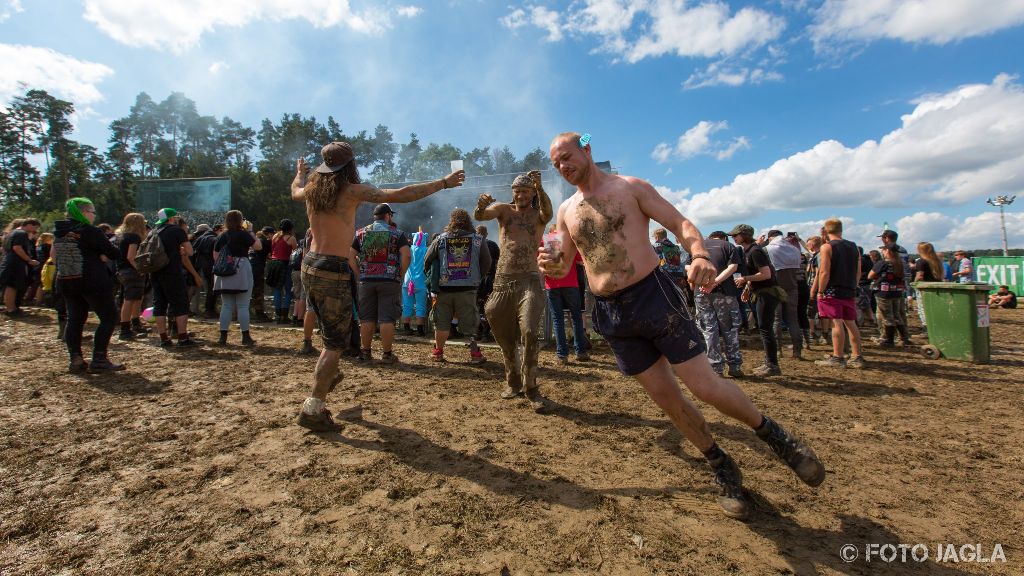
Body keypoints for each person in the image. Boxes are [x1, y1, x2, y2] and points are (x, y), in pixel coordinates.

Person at [539, 132, 824, 520]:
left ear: (587, 150)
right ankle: (720, 464)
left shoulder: (630, 187)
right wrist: (549, 263)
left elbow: (680, 222)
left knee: (703, 385)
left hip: (653, 297)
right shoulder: (566, 211)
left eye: (568, 157)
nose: (563, 167)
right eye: (556, 163)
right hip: (612, 313)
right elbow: (560, 262)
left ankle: (775, 437)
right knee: (667, 400)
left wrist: (701, 254)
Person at [289, 140, 465, 431]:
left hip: (310, 265)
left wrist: (299, 173)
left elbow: (295, 189)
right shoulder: (351, 190)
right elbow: (400, 194)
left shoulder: (311, 189)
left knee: (333, 335)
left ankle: (329, 374)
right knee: (335, 345)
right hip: (332, 269)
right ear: (349, 166)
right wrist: (443, 183)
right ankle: (313, 408)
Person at [475, 170, 553, 411]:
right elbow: (481, 215)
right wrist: (480, 206)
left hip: (529, 280)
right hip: (502, 281)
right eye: (517, 191)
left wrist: (540, 186)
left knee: (529, 331)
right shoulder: (503, 211)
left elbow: (548, 212)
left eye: (525, 191)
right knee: (500, 328)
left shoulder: (538, 216)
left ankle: (532, 387)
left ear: (532, 194)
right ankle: (513, 382)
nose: (520, 195)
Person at [52, 198, 125, 373]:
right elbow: (114, 253)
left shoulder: (59, 231)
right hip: (92, 279)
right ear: (84, 212)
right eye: (92, 212)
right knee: (109, 317)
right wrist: (102, 253)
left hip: (67, 278)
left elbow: (55, 255)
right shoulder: (91, 231)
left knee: (75, 319)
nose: (94, 216)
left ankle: (75, 358)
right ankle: (99, 359)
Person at [424, 208, 491, 363]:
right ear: (468, 221)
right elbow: (487, 262)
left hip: (444, 288)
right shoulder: (478, 239)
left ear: (451, 221)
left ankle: (438, 352)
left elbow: (427, 260)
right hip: (468, 289)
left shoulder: (440, 239)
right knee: (470, 321)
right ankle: (475, 354)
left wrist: (432, 279)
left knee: (441, 322)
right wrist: (477, 277)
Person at [352, 203, 410, 363]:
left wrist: (359, 274)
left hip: (366, 281)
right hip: (389, 280)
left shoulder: (361, 233)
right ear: (388, 216)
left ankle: (365, 352)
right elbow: (407, 255)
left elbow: (350, 255)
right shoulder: (397, 234)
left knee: (366, 318)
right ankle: (387, 354)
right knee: (387, 318)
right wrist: (401, 273)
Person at [730, 224, 786, 376]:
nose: (733, 237)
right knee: (764, 328)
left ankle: (772, 365)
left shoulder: (755, 251)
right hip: (761, 292)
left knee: (765, 328)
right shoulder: (749, 251)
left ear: (745, 235)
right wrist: (748, 288)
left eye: (736, 235)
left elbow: (766, 274)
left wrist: (745, 279)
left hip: (767, 293)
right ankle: (770, 363)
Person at [811, 219, 865, 368]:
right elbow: (858, 270)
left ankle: (838, 356)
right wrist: (854, 285)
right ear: (841, 229)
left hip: (832, 290)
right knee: (851, 323)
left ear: (826, 231)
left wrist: (820, 291)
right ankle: (857, 356)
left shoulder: (827, 247)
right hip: (849, 289)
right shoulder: (854, 246)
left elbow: (824, 272)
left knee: (836, 323)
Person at [692, 230, 743, 377]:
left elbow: (688, 267)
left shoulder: (698, 247)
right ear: (723, 238)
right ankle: (734, 366)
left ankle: (715, 367)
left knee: (709, 329)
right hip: (724, 292)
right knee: (730, 329)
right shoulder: (729, 246)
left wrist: (703, 282)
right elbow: (733, 267)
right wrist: (714, 283)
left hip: (701, 292)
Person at [150, 208, 198, 347]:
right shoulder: (177, 231)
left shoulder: (154, 231)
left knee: (159, 304)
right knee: (180, 304)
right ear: (171, 218)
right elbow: (190, 251)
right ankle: (183, 338)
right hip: (172, 272)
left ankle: (164, 338)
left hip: (155, 271)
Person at [213, 210, 260, 346]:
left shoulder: (222, 236)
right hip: (241, 268)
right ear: (241, 221)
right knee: (243, 305)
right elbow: (258, 246)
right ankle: (245, 337)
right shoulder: (244, 234)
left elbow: (215, 255)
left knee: (226, 305)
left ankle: (223, 337)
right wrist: (250, 230)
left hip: (225, 270)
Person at [542, 225, 588, 364]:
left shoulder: (546, 241)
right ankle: (580, 352)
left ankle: (562, 355)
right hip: (571, 284)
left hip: (552, 284)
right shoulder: (569, 242)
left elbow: (540, 262)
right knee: (576, 318)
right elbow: (581, 260)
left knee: (557, 319)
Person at [764, 230, 805, 360]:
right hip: (792, 287)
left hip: (776, 287)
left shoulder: (769, 249)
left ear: (770, 237)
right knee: (793, 320)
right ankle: (797, 352)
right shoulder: (794, 249)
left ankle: (778, 351)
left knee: (776, 320)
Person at [114, 213, 150, 340]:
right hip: (131, 271)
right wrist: (139, 268)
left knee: (135, 298)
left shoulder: (122, 236)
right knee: (130, 300)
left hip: (122, 270)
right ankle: (125, 329)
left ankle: (135, 323)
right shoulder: (134, 237)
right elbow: (131, 256)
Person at [869, 244, 910, 346]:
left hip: (884, 292)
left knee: (887, 316)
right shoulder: (900, 263)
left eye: (883, 250)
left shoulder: (883, 263)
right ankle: (903, 337)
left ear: (888, 251)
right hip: (897, 292)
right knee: (896, 315)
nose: (882, 252)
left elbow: (870, 275)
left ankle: (889, 339)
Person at [1, 218, 40, 316]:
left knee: (11, 285)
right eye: (35, 227)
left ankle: (12, 308)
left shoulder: (12, 233)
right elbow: (17, 247)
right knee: (12, 286)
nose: (35, 230)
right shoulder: (21, 234)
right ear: (30, 225)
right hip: (15, 262)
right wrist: (29, 260)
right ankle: (11, 309)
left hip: (9, 261)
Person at [401, 228, 430, 337]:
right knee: (420, 306)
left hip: (407, 281)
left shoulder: (409, 249)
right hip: (421, 282)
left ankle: (406, 329)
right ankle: (420, 330)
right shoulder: (427, 250)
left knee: (407, 305)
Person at [268, 220, 298, 323]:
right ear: (290, 228)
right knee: (288, 290)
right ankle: (284, 316)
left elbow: (272, 250)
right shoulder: (291, 238)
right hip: (285, 264)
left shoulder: (275, 237)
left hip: (274, 263)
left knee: (277, 290)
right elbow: (296, 253)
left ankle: (277, 315)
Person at [474, 224, 500, 341]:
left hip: (476, 280)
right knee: (488, 306)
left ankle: (478, 331)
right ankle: (485, 332)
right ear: (487, 234)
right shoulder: (493, 245)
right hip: (490, 279)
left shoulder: (473, 245)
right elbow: (499, 262)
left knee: (477, 306)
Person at [191, 223, 218, 319]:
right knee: (212, 289)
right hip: (210, 267)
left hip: (199, 267)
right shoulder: (213, 239)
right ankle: (209, 310)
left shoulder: (198, 239)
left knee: (197, 290)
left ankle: (195, 310)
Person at [914, 242, 943, 328]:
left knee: (923, 308)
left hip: (924, 288)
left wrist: (914, 283)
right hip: (936, 287)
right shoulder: (937, 261)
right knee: (934, 308)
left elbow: (920, 276)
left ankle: (926, 329)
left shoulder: (921, 261)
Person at [250, 225, 274, 322]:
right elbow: (271, 254)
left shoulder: (256, 239)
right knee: (258, 290)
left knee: (249, 290)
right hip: (257, 267)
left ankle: (247, 312)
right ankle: (259, 314)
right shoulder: (267, 242)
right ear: (269, 234)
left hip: (249, 265)